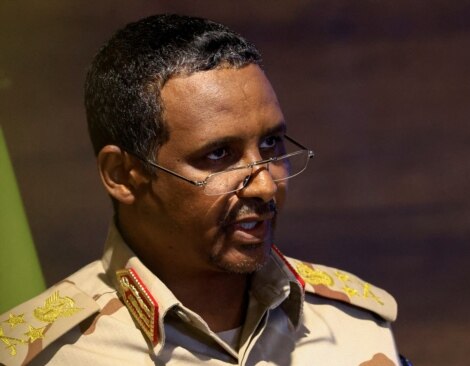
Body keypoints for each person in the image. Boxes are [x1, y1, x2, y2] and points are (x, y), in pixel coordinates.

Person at [0, 14, 406, 366]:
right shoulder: (46, 354)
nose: (265, 186)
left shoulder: (355, 323)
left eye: (270, 144)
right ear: (122, 175)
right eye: (218, 155)